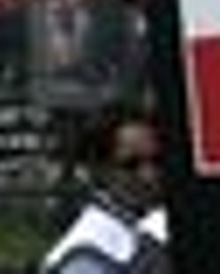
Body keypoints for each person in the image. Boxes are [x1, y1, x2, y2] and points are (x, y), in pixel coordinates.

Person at [41, 103, 170, 274]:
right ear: (100, 170)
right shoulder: (87, 254)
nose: (149, 176)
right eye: (130, 165)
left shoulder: (152, 224)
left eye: (157, 161)